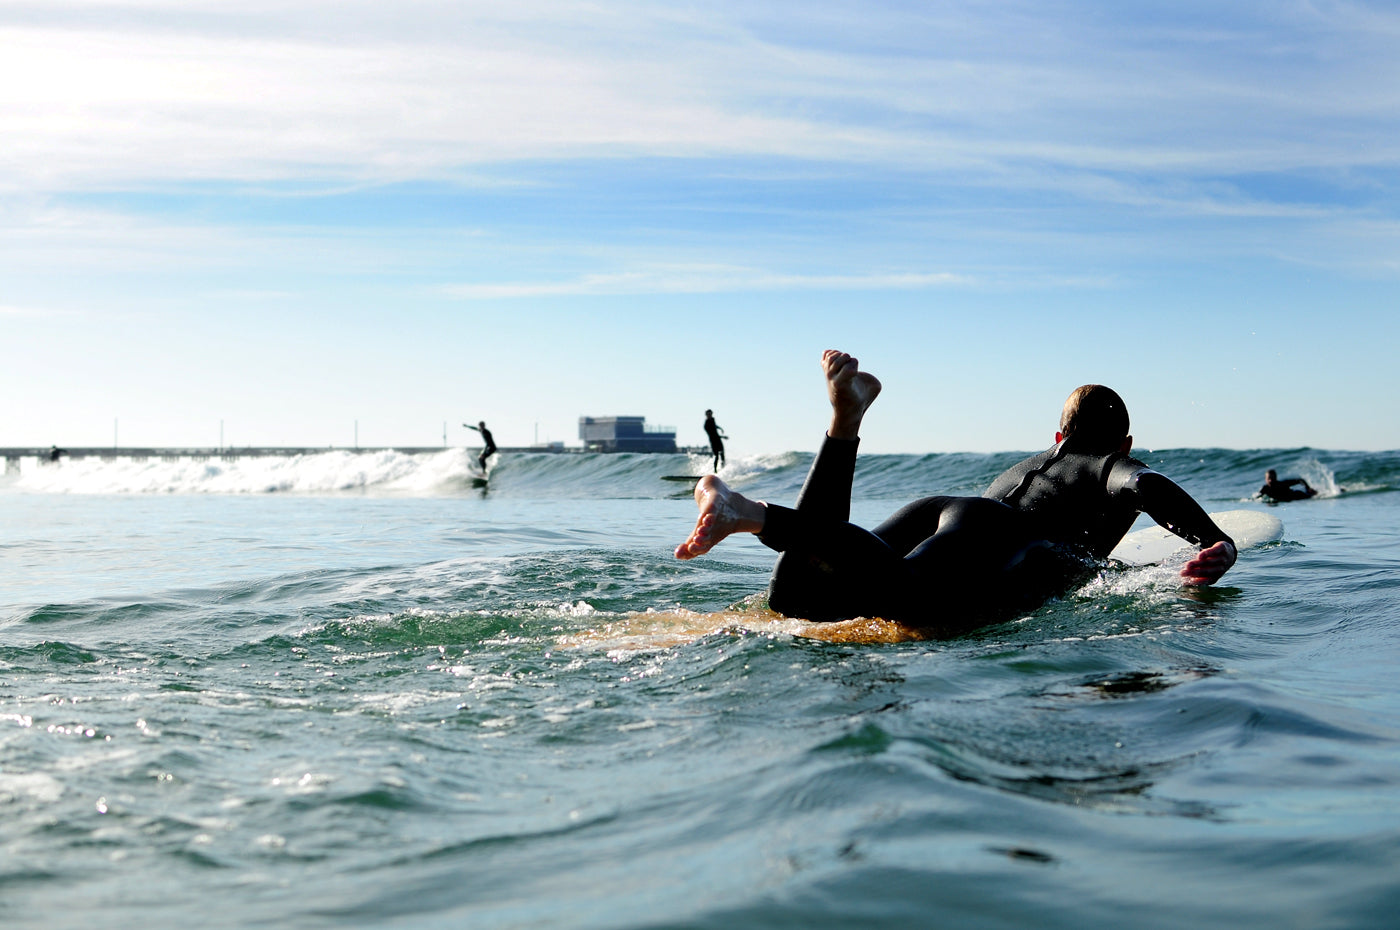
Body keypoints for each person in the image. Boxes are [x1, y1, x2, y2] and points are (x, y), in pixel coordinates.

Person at [675, 349, 1236, 632]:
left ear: (1058, 434)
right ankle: (750, 514)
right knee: (907, 594)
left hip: (948, 509)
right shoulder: (1105, 465)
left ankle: (843, 427)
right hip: (995, 536)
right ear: (1126, 441)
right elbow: (1145, 483)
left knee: (802, 595)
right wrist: (1216, 540)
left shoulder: (1031, 465)